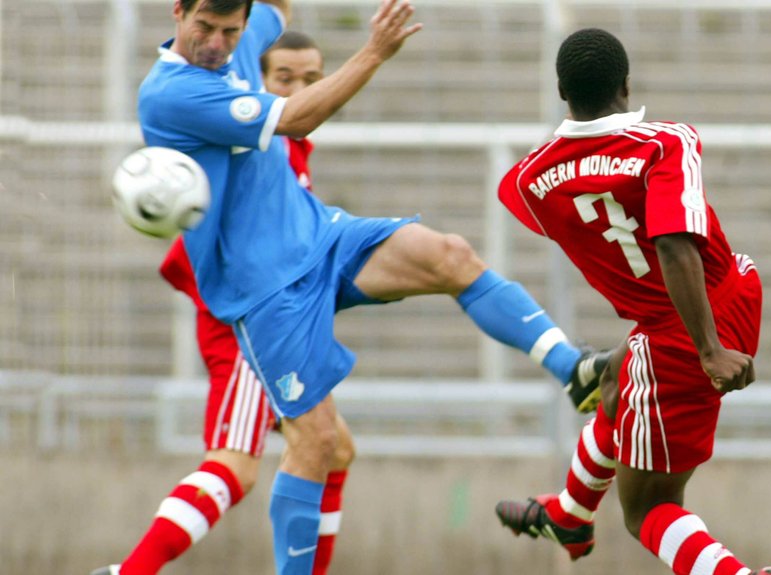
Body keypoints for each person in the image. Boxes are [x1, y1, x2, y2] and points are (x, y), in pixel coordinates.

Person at [102, 1, 608, 574]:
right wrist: (373, 52)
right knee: (315, 444)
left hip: (321, 236)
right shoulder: (172, 92)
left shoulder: (244, 37)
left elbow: (275, 6)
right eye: (204, 28)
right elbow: (294, 118)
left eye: (229, 30)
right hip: (263, 292)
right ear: (177, 11)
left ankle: (575, 371)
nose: (216, 43)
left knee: (450, 255)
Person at [493, 28, 771, 575]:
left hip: (683, 330)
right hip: (725, 293)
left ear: (561, 91)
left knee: (648, 509)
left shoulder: (528, 180)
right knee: (617, 381)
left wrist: (705, 350)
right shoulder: (666, 142)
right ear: (626, 85)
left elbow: (644, 240)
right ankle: (570, 513)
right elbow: (675, 241)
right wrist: (710, 346)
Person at [93, 29, 348, 575]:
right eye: (284, 78)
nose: (299, 88)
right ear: (258, 80)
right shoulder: (248, 136)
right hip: (244, 325)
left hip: (273, 322)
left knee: (334, 448)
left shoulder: (291, 144)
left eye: (310, 78)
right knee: (236, 464)